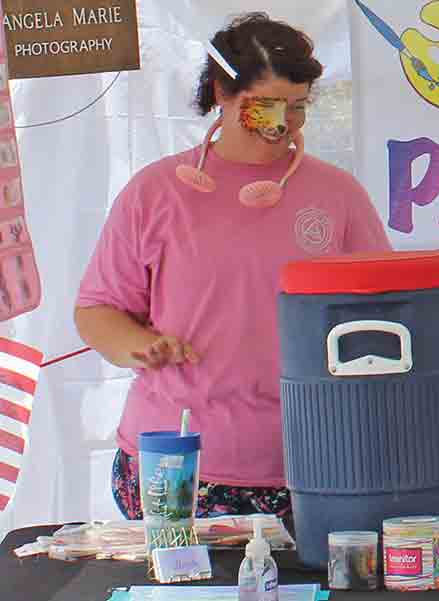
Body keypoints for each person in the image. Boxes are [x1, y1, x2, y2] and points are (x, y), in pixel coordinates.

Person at [74, 12, 391, 519]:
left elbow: (387, 309)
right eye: (265, 106)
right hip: (175, 461)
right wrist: (140, 345)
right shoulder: (154, 194)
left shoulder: (338, 195)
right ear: (221, 91)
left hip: (313, 460)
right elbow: (98, 310)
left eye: (299, 107)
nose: (283, 123)